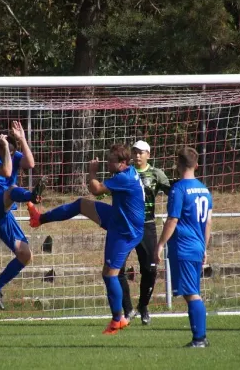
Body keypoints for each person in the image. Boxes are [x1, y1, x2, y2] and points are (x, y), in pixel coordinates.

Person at [28, 144, 145, 335]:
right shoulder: (127, 173)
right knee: (81, 204)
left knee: (109, 274)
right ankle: (39, 218)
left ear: (123, 163)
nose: (107, 164)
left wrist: (92, 171)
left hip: (125, 230)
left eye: (111, 161)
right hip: (119, 217)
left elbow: (96, 189)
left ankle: (118, 320)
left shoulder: (124, 177)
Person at [0, 121, 46, 310]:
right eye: (1, 148)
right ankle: (31, 197)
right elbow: (8, 171)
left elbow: (31, 163)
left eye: (6, 150)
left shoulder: (13, 155)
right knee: (12, 189)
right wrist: (4, 149)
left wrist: (22, 139)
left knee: (25, 254)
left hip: (4, 214)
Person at [155, 147, 212, 348]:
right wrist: (205, 248)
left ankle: (200, 338)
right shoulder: (204, 190)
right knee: (192, 291)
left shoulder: (179, 189)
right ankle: (200, 337)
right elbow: (208, 223)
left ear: (177, 165)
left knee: (191, 293)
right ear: (196, 165)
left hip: (184, 247)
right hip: (197, 246)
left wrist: (160, 244)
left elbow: (172, 219)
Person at [118, 140, 170, 325]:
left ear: (148, 154)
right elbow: (103, 192)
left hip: (147, 226)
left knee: (150, 269)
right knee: (118, 269)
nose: (137, 155)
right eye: (134, 152)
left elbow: (172, 191)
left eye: (141, 152)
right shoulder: (125, 172)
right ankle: (127, 309)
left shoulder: (156, 174)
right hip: (125, 226)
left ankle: (143, 306)